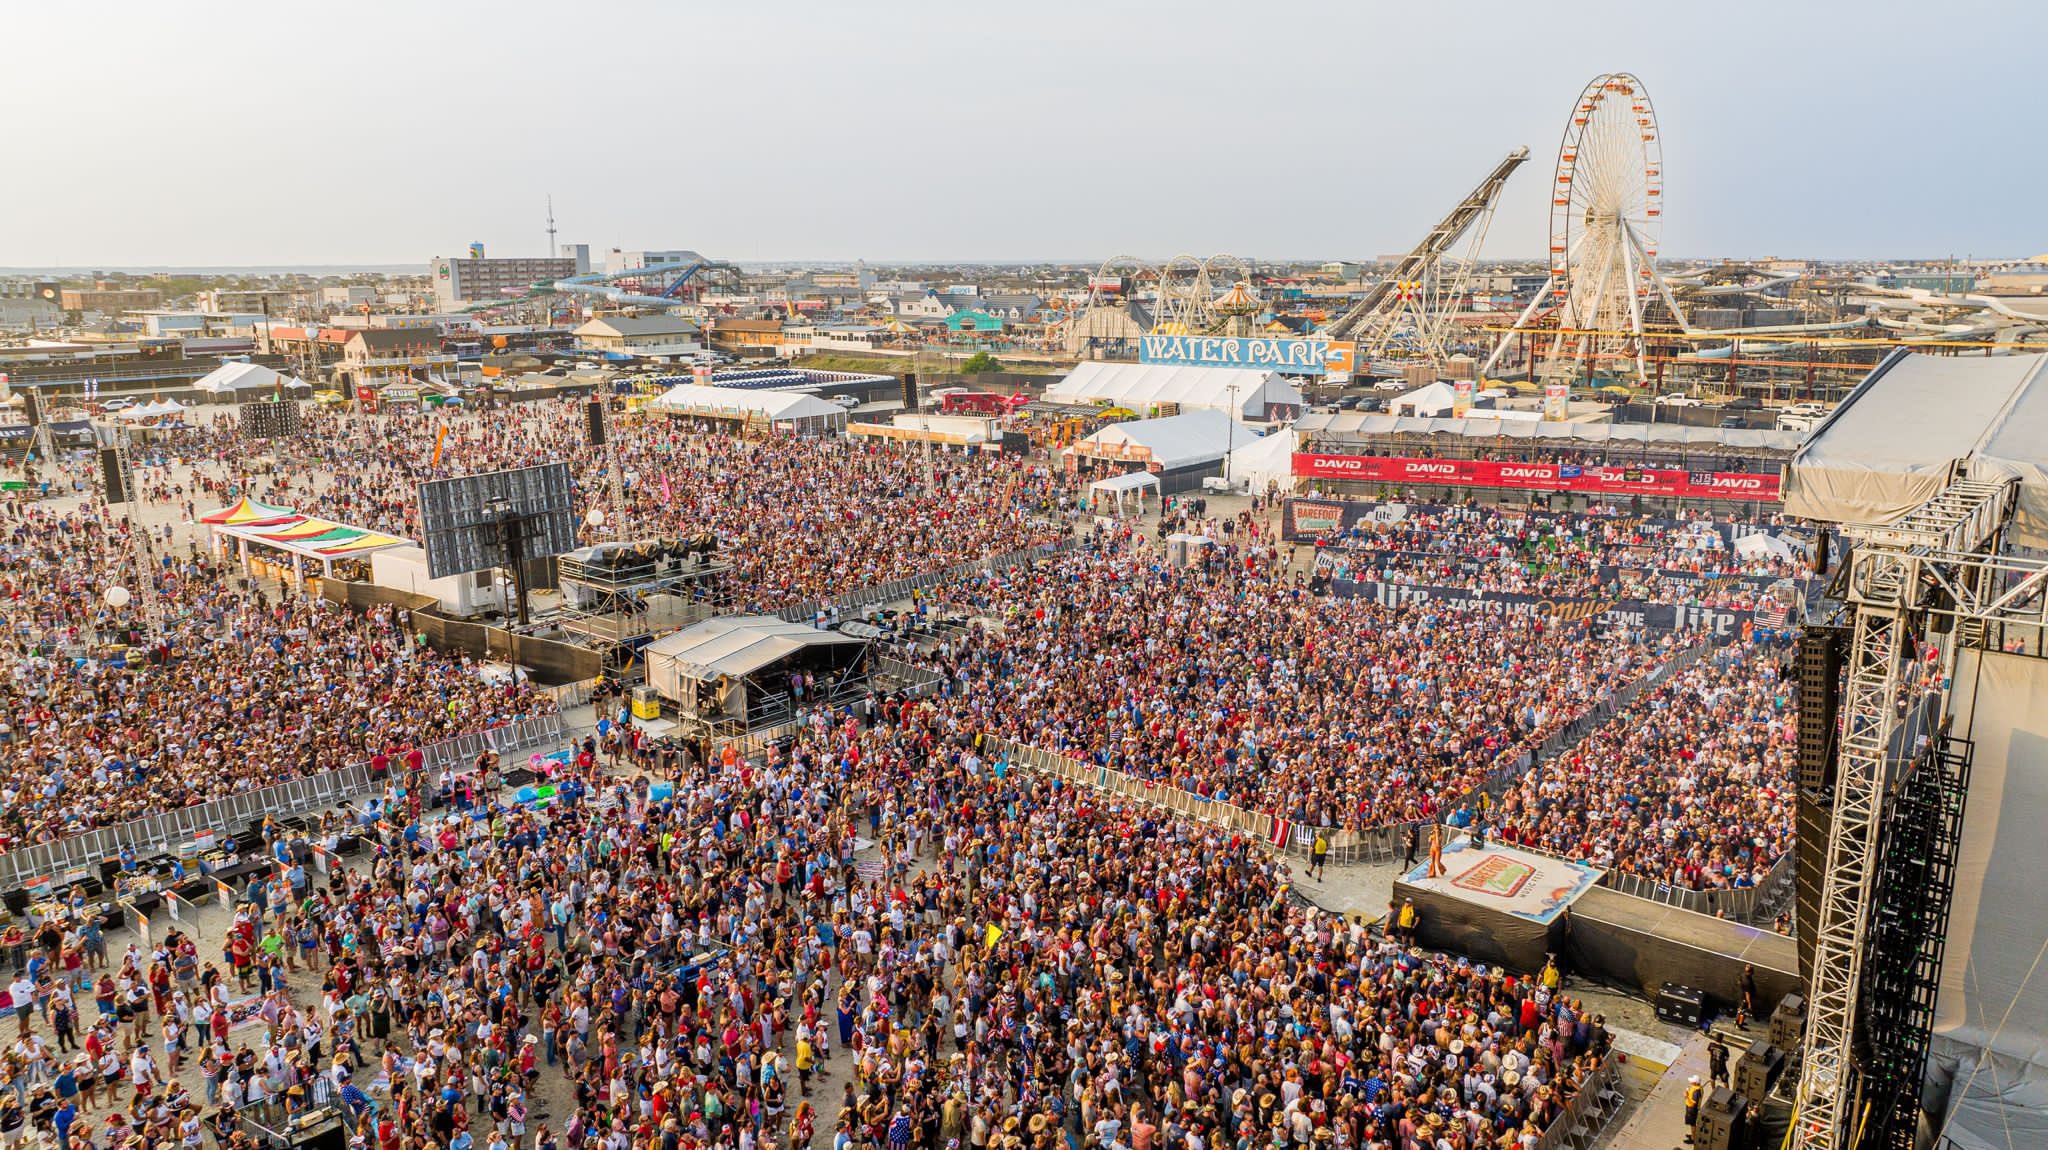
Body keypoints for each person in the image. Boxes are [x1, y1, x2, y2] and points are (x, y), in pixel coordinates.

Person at [1683, 1075, 1704, 1144]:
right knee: (1692, 1123)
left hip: (1692, 1109)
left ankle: (1693, 1139)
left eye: (1692, 1081)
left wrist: (1686, 1096)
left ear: (1695, 1083)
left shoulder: (1697, 1091)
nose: (1690, 1082)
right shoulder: (1698, 1088)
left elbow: (1694, 1102)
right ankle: (1693, 1135)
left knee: (1692, 1124)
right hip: (1692, 1108)